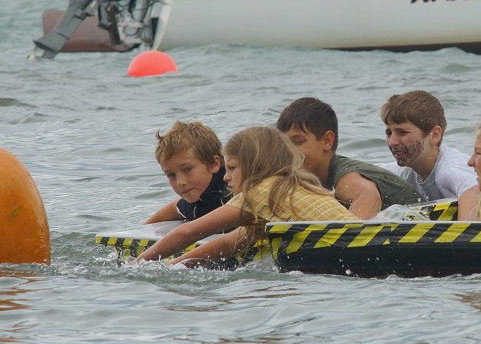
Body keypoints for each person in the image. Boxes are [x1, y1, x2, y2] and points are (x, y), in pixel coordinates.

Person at [137, 126, 356, 267]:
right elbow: (229, 243)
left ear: (254, 167)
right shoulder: (290, 187)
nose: (226, 177)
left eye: (231, 168)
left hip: (350, 246)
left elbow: (187, 232)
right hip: (360, 240)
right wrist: (176, 264)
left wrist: (138, 265)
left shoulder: (261, 192)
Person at [276, 97, 422, 219]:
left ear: (327, 141)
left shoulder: (344, 175)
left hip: (422, 219)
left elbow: (369, 195)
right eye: (284, 143)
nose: (290, 151)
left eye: (298, 142)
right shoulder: (308, 175)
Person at [380, 90, 479, 219]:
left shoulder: (450, 170)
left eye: (402, 132)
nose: (392, 142)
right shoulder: (402, 173)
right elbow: (366, 173)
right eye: (389, 133)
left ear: (435, 135)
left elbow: (475, 191)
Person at [145, 120, 231, 223]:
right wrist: (143, 227)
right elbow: (174, 208)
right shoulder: (194, 203)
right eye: (171, 175)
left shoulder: (236, 194)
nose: (180, 182)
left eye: (187, 170)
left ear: (214, 164)